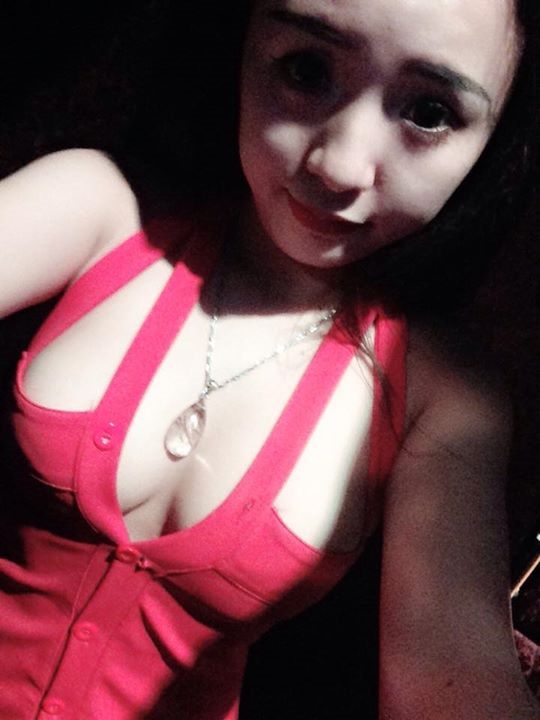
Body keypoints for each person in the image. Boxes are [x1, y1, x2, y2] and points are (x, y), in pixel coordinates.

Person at [0, 1, 538, 719]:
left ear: (494, 145)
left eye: (429, 113)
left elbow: (451, 674)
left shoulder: (441, 401)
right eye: (307, 70)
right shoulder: (99, 209)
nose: (338, 165)